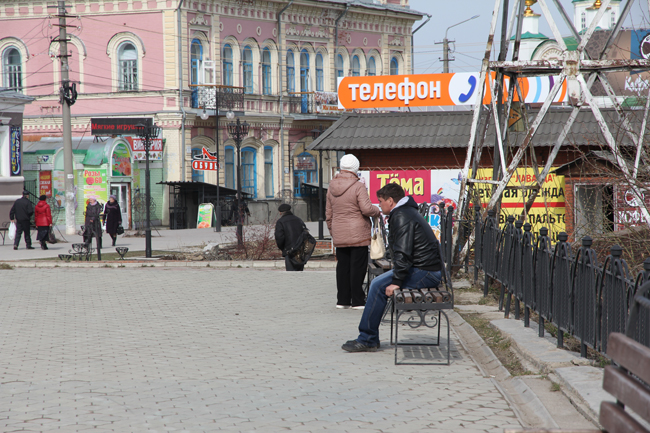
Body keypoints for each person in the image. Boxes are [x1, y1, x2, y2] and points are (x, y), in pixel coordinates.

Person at [342, 183, 443, 352]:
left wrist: (396, 281)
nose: (379, 206)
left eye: (380, 201)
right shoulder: (405, 212)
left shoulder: (402, 216)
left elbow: (404, 252)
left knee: (377, 286)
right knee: (377, 284)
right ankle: (369, 337)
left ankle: (367, 339)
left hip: (426, 272)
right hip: (423, 269)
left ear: (390, 201)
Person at [326, 154, 381, 310]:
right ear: (355, 168)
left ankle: (342, 300)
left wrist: (333, 230)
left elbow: (328, 214)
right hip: (358, 233)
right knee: (357, 266)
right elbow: (366, 209)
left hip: (339, 232)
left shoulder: (331, 187)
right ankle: (357, 300)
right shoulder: (358, 186)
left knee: (342, 266)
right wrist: (377, 211)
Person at [275, 204, 307, 271]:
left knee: (291, 274)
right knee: (300, 274)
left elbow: (279, 238)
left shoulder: (280, 222)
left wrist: (282, 248)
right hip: (300, 251)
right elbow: (305, 234)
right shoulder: (298, 220)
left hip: (289, 251)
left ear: (280, 212)